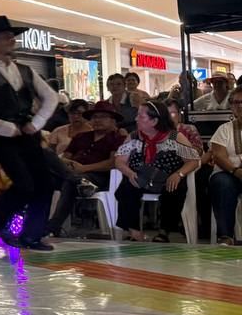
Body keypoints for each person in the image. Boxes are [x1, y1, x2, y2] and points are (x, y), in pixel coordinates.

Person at [0, 16, 60, 250]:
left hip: (28, 133)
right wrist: (5, 128)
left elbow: (51, 97)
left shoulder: (26, 71)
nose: (11, 39)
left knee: (45, 183)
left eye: (11, 36)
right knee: (25, 184)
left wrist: (36, 123)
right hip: (2, 138)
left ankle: (32, 235)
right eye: (5, 36)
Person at [114, 100, 199, 242]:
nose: (136, 119)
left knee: (174, 188)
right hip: (141, 176)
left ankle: (164, 232)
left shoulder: (173, 136)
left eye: (141, 116)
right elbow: (119, 160)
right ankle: (134, 231)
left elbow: (193, 161)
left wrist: (179, 174)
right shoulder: (134, 137)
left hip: (167, 177)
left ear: (154, 121)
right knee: (126, 187)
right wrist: (129, 172)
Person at [46, 101, 124, 238]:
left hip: (99, 176)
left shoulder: (118, 138)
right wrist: (70, 164)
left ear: (113, 120)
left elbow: (113, 163)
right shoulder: (81, 137)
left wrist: (84, 168)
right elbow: (65, 157)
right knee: (46, 175)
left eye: (102, 117)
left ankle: (53, 226)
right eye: (94, 117)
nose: (97, 120)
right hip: (71, 172)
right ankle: (33, 222)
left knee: (70, 182)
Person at [207, 88, 242, 245]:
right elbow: (219, 155)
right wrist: (235, 170)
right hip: (228, 172)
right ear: (232, 107)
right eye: (236, 102)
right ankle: (226, 236)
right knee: (222, 183)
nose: (240, 106)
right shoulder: (224, 129)